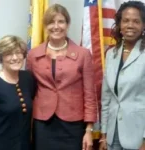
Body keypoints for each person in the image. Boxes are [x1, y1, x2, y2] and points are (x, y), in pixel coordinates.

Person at [27, 3, 97, 150]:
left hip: (73, 124)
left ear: (67, 24)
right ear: (45, 26)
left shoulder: (83, 54)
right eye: (51, 22)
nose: (56, 26)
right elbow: (30, 92)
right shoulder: (33, 55)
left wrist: (89, 130)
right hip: (43, 124)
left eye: (61, 21)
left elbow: (90, 94)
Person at [99, 1, 145, 150]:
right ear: (119, 24)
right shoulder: (111, 54)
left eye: (136, 21)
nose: (130, 25)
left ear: (143, 25)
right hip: (113, 135)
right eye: (125, 21)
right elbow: (106, 98)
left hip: (139, 136)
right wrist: (104, 134)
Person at [0, 35, 36, 150]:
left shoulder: (27, 78)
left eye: (18, 52)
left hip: (25, 145)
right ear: (1, 58)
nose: (15, 58)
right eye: (9, 54)